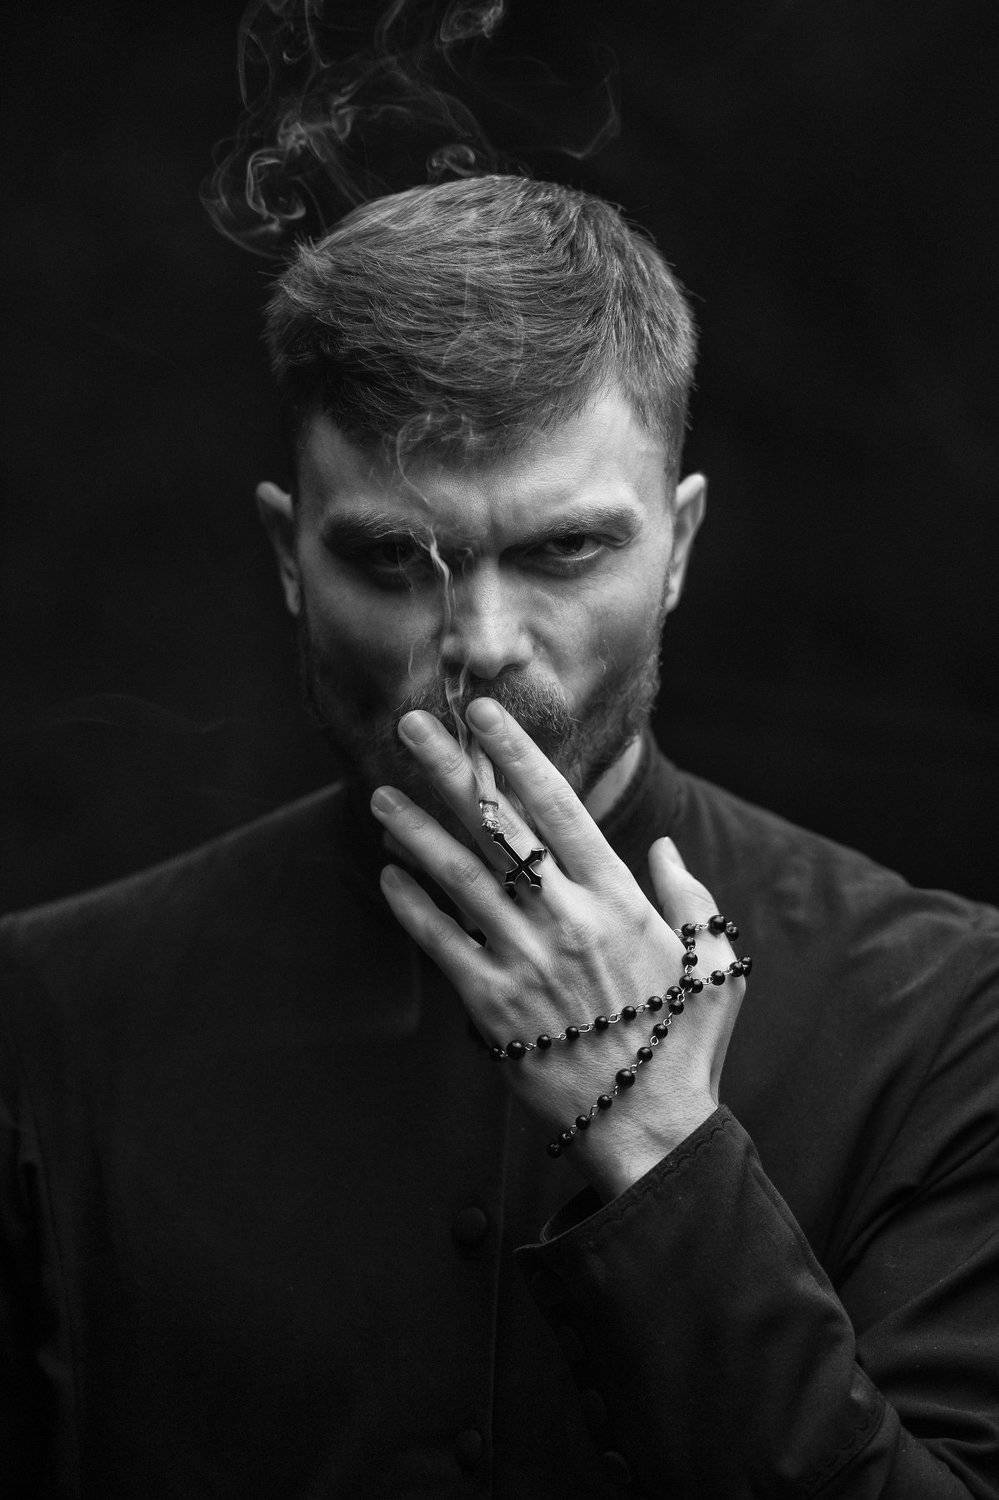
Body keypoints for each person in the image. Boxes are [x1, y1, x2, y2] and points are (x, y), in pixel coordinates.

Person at [1, 174, 996, 1499]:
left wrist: (657, 1146)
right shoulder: (53, 1019)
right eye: (391, 559)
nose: (479, 644)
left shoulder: (947, 1014)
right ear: (290, 555)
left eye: (565, 550)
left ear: (679, 546)